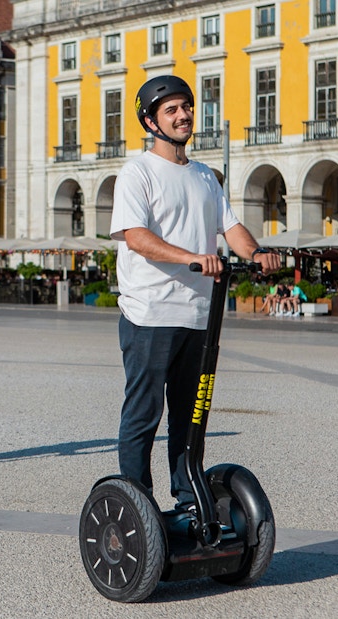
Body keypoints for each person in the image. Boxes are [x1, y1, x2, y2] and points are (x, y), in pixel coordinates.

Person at [110, 75, 280, 517]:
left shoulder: (206, 176)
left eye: (186, 106)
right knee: (144, 416)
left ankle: (188, 502)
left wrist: (258, 253)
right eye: (171, 109)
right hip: (150, 312)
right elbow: (136, 237)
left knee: (190, 417)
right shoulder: (137, 172)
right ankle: (136, 504)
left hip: (199, 314)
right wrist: (192, 257)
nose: (183, 115)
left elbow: (231, 227)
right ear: (150, 120)